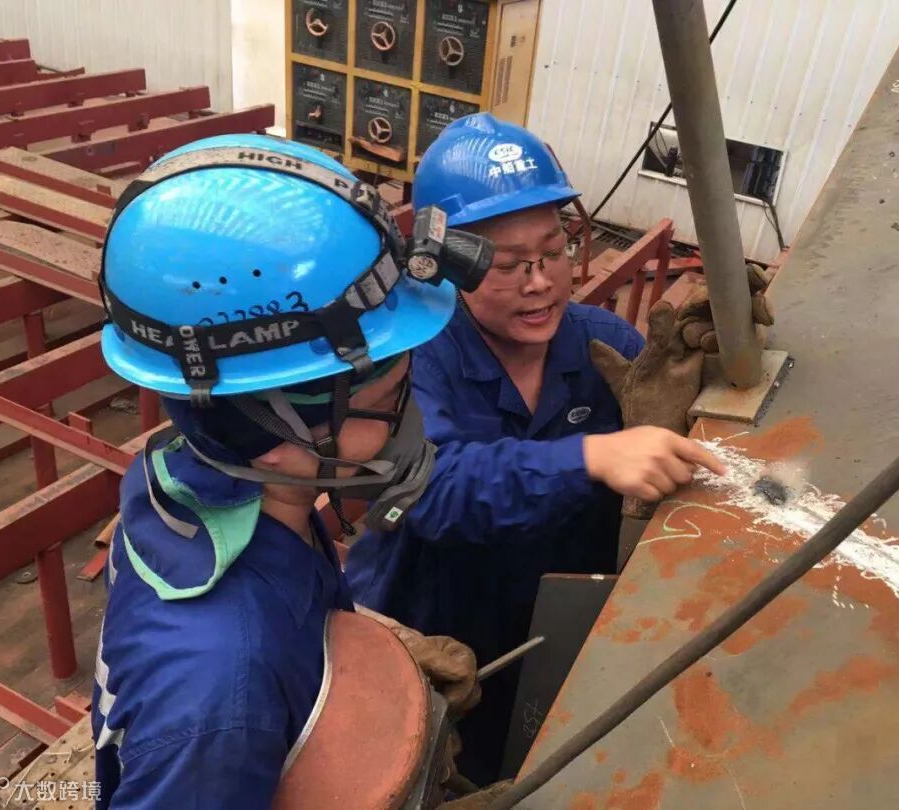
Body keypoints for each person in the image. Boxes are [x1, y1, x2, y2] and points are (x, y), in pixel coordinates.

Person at [91, 134, 491, 808]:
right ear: (273, 432)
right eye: (390, 394)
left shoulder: (204, 483)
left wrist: (362, 669)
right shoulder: (218, 696)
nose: (411, 414)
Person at [345, 114, 726, 784]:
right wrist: (592, 456)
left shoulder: (605, 344)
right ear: (448, 264)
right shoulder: (415, 360)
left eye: (553, 252)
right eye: (508, 264)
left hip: (555, 628)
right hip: (436, 635)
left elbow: (683, 447)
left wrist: (717, 381)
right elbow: (431, 489)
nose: (540, 281)